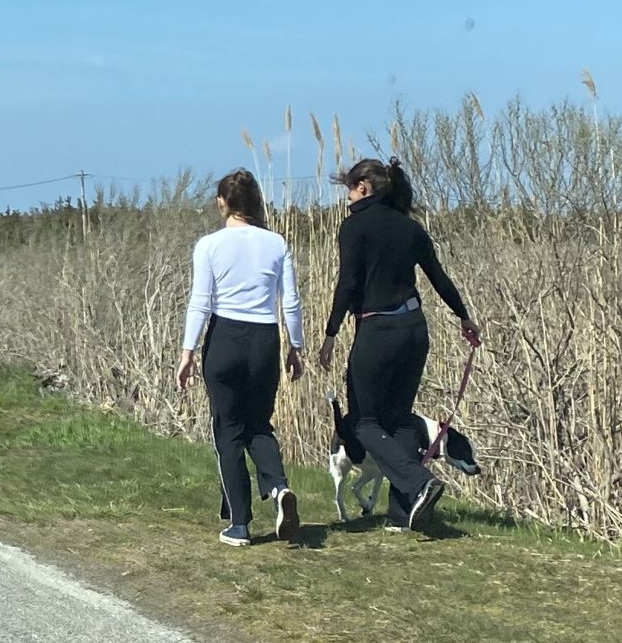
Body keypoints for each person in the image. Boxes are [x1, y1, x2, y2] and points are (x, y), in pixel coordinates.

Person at [315, 157, 479, 533]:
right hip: (414, 330)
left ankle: (419, 482)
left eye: (350, 188)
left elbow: (348, 284)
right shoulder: (410, 228)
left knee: (364, 422)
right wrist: (464, 317)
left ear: (365, 188)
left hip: (378, 330)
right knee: (401, 419)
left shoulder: (355, 228)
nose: (348, 197)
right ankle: (404, 514)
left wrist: (330, 333)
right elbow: (439, 277)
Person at [177, 167, 305, 545]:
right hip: (265, 339)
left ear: (222, 203)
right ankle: (279, 488)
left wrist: (188, 351)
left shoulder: (209, 245)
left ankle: (240, 524)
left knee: (228, 430)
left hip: (225, 338)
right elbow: (292, 303)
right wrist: (295, 347)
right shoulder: (276, 243)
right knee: (258, 424)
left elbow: (199, 303)